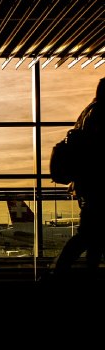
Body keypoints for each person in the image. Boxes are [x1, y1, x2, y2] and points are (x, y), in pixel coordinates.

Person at [51, 77, 105, 281]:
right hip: (98, 184)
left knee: (93, 234)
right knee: (89, 235)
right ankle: (61, 271)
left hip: (87, 185)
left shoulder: (87, 113)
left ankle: (66, 270)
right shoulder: (100, 114)